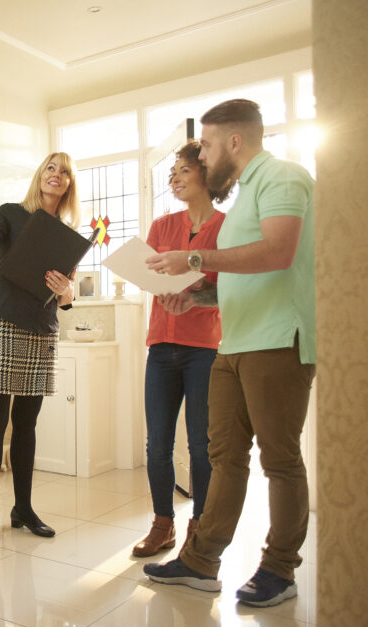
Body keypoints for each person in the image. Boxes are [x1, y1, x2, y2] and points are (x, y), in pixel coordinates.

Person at [142, 99, 316, 608]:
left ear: (234, 141)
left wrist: (194, 258)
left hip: (277, 341)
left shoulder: (283, 176)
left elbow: (279, 251)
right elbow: (242, 276)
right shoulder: (242, 200)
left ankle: (279, 569)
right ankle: (201, 562)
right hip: (234, 344)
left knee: (279, 460)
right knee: (223, 457)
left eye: (209, 146)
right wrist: (197, 297)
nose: (203, 156)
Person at [0, 152, 79, 546]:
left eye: (64, 172)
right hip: (0, 322)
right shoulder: (11, 214)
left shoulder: (67, 235)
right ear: (40, 175)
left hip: (42, 330)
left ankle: (23, 509)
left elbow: (66, 301)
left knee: (27, 425)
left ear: (69, 185)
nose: (56, 175)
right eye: (51, 167)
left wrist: (67, 292)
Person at [132, 140, 231, 558]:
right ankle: (162, 525)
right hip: (160, 347)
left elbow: (231, 289)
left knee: (201, 447)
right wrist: (163, 290)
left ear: (206, 173)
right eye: (171, 173)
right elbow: (151, 276)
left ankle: (199, 529)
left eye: (183, 171)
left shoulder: (227, 228)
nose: (174, 179)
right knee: (157, 444)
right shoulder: (161, 226)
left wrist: (195, 297)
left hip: (203, 349)